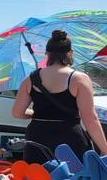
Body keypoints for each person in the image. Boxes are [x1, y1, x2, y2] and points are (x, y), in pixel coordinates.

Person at [12, 30, 107, 164]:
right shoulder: (79, 79)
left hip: (37, 139)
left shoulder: (30, 79)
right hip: (69, 140)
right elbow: (90, 119)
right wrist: (105, 149)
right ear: (70, 53)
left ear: (47, 54)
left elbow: (17, 113)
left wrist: (38, 114)